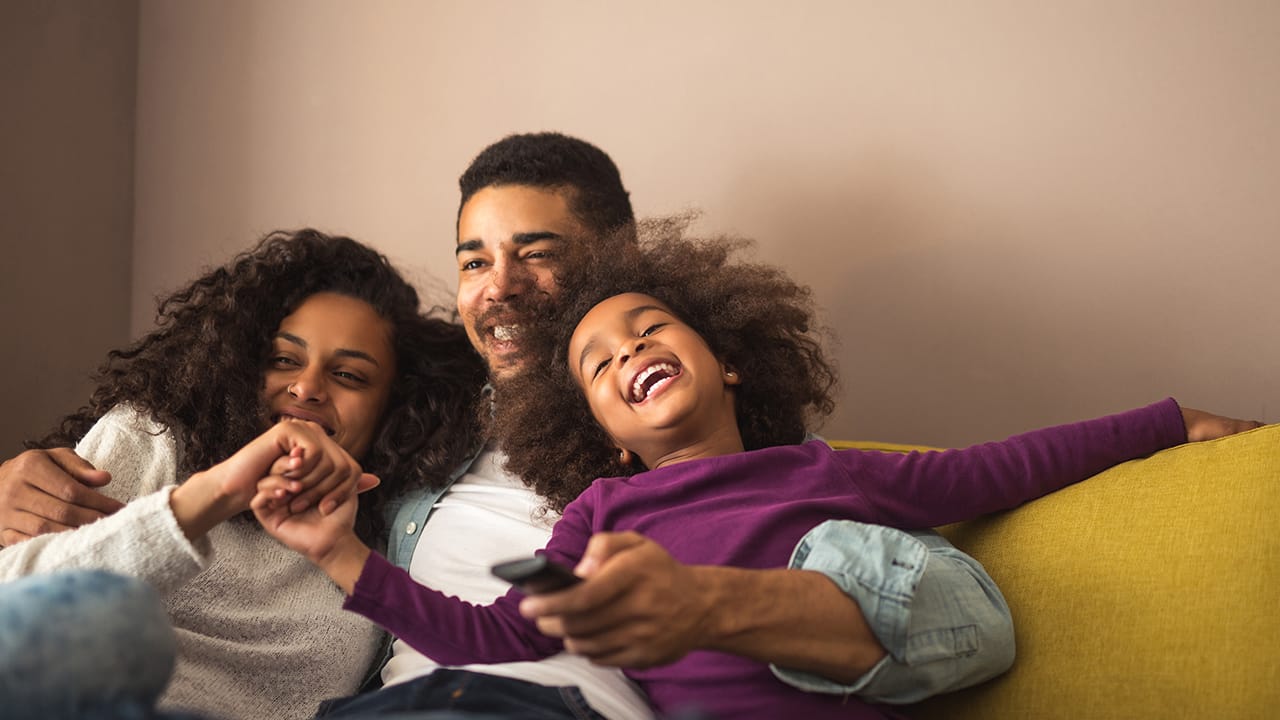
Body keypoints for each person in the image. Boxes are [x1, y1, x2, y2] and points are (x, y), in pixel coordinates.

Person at [0, 133, 1020, 717]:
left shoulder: (690, 433)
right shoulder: (408, 416)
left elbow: (961, 625)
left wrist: (706, 604)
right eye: (475, 261)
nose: (500, 287)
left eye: (537, 253)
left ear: (619, 260)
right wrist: (23, 481)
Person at [253, 221, 1262, 720]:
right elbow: (492, 636)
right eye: (597, 366)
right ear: (601, 431)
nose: (627, 350)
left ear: (727, 357)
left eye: (648, 328)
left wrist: (1166, 420)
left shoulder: (827, 473)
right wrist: (340, 554)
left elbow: (1000, 467)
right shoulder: (602, 513)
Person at [0, 229, 487, 720]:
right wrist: (217, 492)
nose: (307, 387)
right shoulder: (152, 437)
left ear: (394, 407)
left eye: (348, 375)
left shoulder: (379, 542)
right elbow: (15, 607)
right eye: (284, 360)